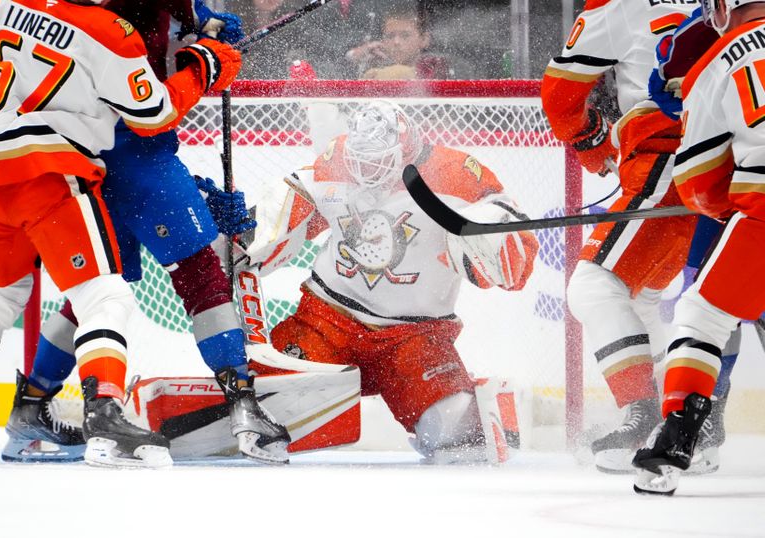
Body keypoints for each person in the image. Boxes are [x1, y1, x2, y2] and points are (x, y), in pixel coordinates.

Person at [1, 0, 290, 465]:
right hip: (140, 157)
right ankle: (244, 407)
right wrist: (207, 55)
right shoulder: (130, 15)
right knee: (202, 279)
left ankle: (31, 404)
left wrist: (202, 21)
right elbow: (152, 100)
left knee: (95, 293)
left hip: (85, 163)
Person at [244, 101, 538, 462]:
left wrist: (494, 238)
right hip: (325, 322)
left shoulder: (457, 173)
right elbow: (300, 205)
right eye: (361, 159)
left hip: (416, 336)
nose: (367, 170)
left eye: (378, 159)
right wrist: (254, 231)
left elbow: (517, 256)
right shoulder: (337, 159)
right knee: (265, 412)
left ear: (406, 148)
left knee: (458, 438)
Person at [541, 0, 699, 473]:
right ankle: (694, 427)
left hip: (668, 166)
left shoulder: (618, 5)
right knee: (647, 298)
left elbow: (559, 95)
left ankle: (645, 418)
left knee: (594, 286)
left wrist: (591, 140)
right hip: (730, 167)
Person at [633, 0, 765, 495]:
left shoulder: (718, 59)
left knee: (702, 316)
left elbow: (697, 183)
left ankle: (676, 438)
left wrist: (731, 194)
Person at [345, 5, 469, 80]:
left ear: (424, 39)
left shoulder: (445, 68)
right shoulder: (371, 70)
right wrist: (354, 56)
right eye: (390, 36)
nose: (396, 42)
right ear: (382, 41)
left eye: (405, 35)